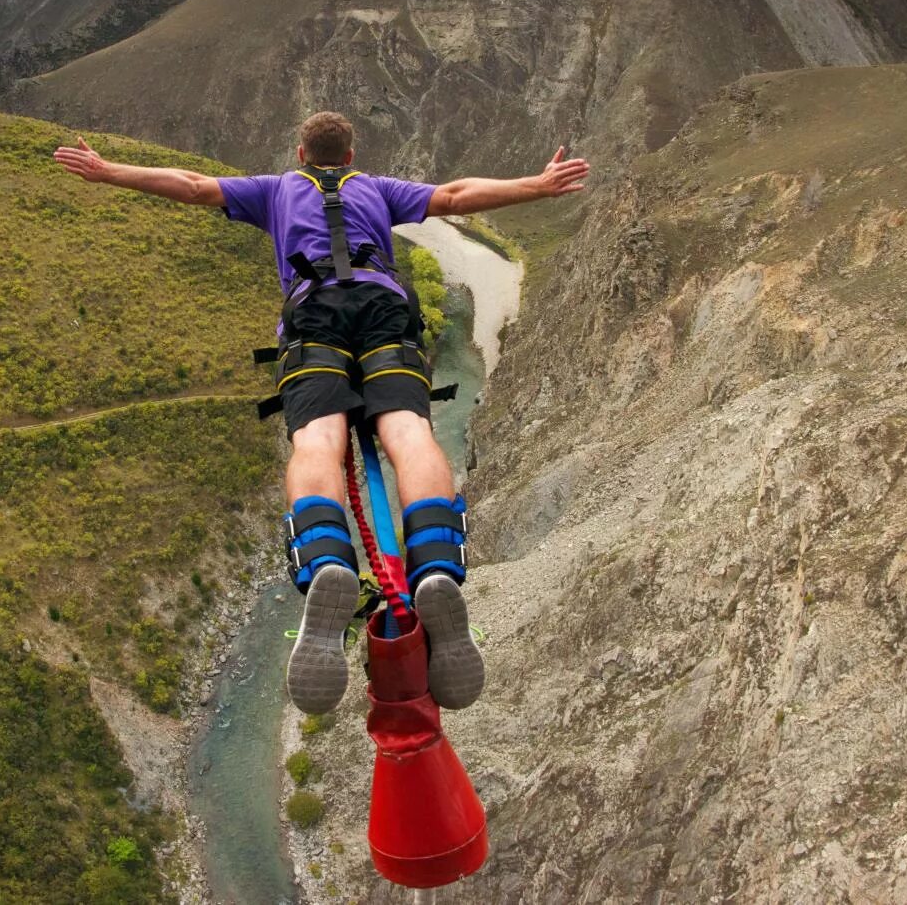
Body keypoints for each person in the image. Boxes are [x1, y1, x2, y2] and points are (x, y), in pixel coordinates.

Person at [53, 112, 590, 715]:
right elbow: (458, 194)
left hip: (315, 323)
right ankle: (435, 563)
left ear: (301, 152)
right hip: (385, 312)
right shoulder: (378, 189)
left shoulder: (276, 189)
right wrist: (537, 185)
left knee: (318, 439)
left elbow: (191, 184)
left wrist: (109, 172)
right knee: (409, 432)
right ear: (351, 153)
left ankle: (329, 561)